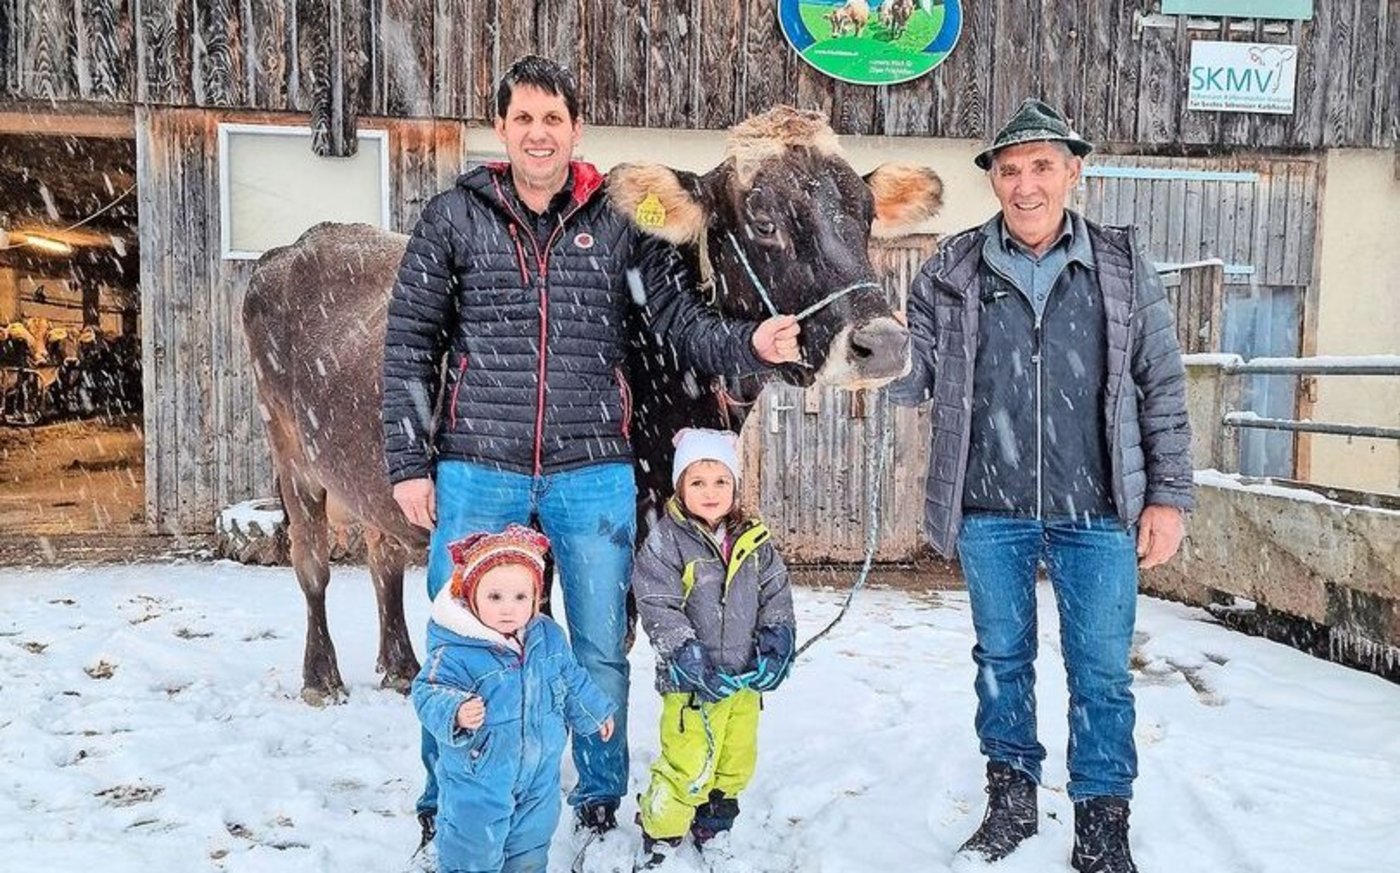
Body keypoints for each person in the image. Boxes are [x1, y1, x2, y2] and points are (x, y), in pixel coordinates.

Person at [382, 55, 801, 843]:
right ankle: (451, 794)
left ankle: (601, 788)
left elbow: (679, 319)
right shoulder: (454, 215)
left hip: (591, 471)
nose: (538, 133)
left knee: (601, 640)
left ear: (576, 130)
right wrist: (409, 462)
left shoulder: (618, 218)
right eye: (522, 118)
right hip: (479, 464)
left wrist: (751, 342)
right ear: (501, 128)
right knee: (458, 640)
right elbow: (410, 341)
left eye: (553, 119)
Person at [888, 98, 1193, 873]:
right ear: (994, 179)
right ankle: (1012, 797)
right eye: (1011, 169)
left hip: (1098, 511)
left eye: (1042, 166)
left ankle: (1101, 820)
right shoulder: (953, 270)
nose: (1026, 184)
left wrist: (1168, 496)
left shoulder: (1122, 264)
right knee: (1001, 660)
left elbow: (1162, 384)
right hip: (989, 509)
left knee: (1100, 671)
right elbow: (912, 375)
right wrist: (873, 352)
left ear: (1073, 171)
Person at [629, 428, 797, 869]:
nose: (710, 492)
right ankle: (661, 832)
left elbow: (775, 596)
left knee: (733, 762)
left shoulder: (755, 540)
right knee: (687, 764)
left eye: (721, 481)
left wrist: (777, 641)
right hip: (691, 686)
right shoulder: (666, 542)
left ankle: (713, 826)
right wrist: (683, 652)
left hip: (742, 681)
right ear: (680, 486)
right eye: (697, 482)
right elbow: (657, 603)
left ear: (736, 486)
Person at [412, 524, 616, 873]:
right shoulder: (457, 650)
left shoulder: (547, 637)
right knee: (472, 852)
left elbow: (569, 677)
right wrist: (456, 710)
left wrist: (593, 711)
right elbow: (427, 691)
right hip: (479, 779)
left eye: (521, 597)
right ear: (471, 594)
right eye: (495, 597)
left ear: (536, 598)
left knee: (530, 849)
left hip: (540, 776)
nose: (509, 608)